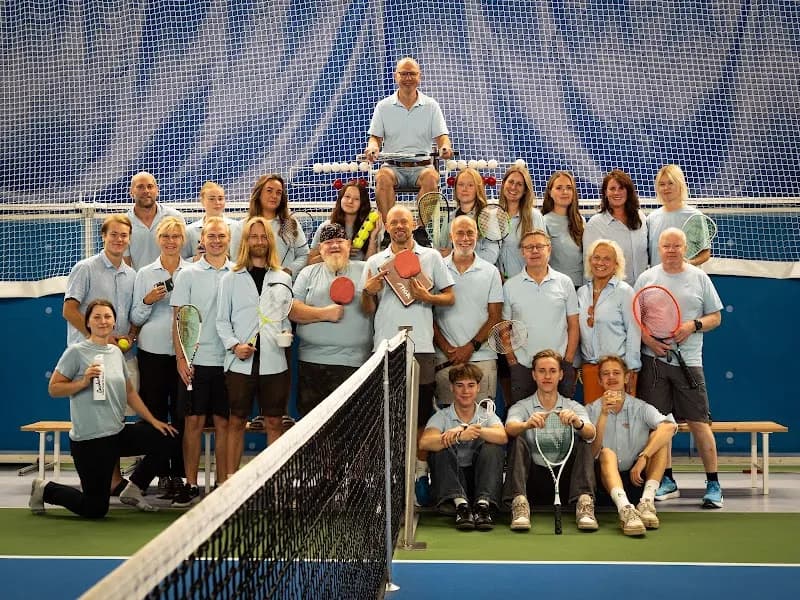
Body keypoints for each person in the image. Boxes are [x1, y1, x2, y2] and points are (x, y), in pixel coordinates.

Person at [217, 217, 342, 476]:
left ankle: (271, 484)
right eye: (254, 237)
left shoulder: (282, 277)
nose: (259, 241)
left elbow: (285, 315)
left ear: (270, 242)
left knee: (274, 421)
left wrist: (285, 331)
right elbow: (221, 321)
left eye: (263, 237)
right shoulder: (230, 279)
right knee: (237, 421)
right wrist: (234, 346)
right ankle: (228, 484)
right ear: (246, 241)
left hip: (275, 361)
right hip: (239, 363)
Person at [30, 300, 178, 518]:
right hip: (90, 441)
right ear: (88, 322)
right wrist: (82, 382)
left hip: (117, 434)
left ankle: (134, 488)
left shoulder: (116, 353)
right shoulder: (76, 352)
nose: (103, 321)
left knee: (169, 437)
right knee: (95, 508)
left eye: (107, 317)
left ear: (114, 321)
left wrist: (154, 421)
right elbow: (54, 388)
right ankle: (44, 489)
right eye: (97, 317)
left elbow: (129, 393)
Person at [361, 205, 455, 504]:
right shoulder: (375, 262)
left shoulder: (431, 257)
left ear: (413, 224)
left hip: (422, 349)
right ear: (386, 227)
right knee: (387, 418)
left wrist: (429, 297)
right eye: (394, 222)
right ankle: (389, 481)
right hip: (386, 348)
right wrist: (367, 292)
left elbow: (449, 296)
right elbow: (367, 310)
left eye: (404, 221)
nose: (400, 226)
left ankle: (416, 479)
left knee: (419, 419)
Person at [635, 228, 724, 508]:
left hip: (690, 362)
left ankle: (713, 484)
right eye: (666, 245)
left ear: (685, 248)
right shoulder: (647, 278)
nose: (671, 250)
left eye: (676, 245)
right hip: (654, 362)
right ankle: (667, 480)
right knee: (661, 425)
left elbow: (716, 318)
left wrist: (693, 326)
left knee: (699, 423)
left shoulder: (699, 278)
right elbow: (636, 319)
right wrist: (649, 340)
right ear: (659, 248)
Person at [169, 217, 234, 504]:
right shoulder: (188, 275)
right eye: (211, 236)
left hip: (230, 364)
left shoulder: (239, 273)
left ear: (229, 239)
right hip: (197, 361)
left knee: (224, 423)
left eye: (221, 235)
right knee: (192, 423)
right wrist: (181, 359)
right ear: (202, 240)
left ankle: (222, 484)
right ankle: (191, 484)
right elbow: (179, 319)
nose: (216, 240)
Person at [503, 350, 597, 532]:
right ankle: (520, 504)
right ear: (534, 374)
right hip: (533, 480)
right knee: (518, 440)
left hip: (566, 481)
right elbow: (509, 428)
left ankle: (584, 505)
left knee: (583, 441)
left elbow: (591, 433)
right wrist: (526, 424)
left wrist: (578, 423)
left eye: (553, 371)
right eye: (542, 371)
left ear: (561, 375)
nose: (547, 376)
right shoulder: (522, 406)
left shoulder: (573, 406)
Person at [130, 216, 191, 497]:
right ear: (158, 240)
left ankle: (177, 475)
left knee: (180, 415)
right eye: (166, 237)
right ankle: (158, 474)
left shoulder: (192, 272)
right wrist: (147, 301)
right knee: (154, 415)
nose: (170, 241)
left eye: (175, 237)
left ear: (182, 241)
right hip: (151, 352)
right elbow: (136, 317)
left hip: (183, 354)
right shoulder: (144, 273)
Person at [586, 355, 677, 536]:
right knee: (606, 453)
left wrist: (644, 457)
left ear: (627, 377)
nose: (611, 377)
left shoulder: (641, 407)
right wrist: (603, 415)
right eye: (606, 374)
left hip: (637, 479)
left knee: (659, 439)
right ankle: (625, 510)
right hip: (605, 484)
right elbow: (591, 453)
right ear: (599, 380)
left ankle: (647, 503)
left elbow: (670, 427)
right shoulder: (590, 410)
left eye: (616, 373)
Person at [364, 57, 453, 229]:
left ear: (420, 76)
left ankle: (420, 230)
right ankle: (389, 230)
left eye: (412, 74)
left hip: (422, 167)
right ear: (395, 76)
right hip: (393, 168)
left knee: (432, 177)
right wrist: (373, 147)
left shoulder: (431, 106)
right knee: (382, 178)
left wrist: (445, 147)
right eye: (403, 74)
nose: (408, 78)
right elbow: (375, 138)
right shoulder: (383, 107)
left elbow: (442, 137)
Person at [293, 223, 372, 417]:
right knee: (312, 429)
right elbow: (293, 310)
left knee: (351, 427)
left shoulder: (365, 270)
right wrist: (324, 313)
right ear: (320, 248)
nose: (334, 246)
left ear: (349, 244)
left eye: (339, 241)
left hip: (356, 364)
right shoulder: (308, 273)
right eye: (328, 242)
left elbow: (374, 309)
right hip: (313, 364)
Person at [419, 364, 507, 531]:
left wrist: (472, 430)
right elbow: (425, 442)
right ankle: (461, 507)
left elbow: (502, 437)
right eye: (460, 385)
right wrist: (456, 437)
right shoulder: (442, 416)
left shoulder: (487, 415)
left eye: (471, 385)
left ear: (478, 387)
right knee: (441, 447)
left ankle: (483, 507)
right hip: (451, 481)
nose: (465, 391)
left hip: (479, 480)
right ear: (452, 388)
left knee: (493, 449)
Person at [501, 230, 579, 404]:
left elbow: (573, 325)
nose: (534, 251)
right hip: (523, 367)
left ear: (549, 250)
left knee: (563, 420)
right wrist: (513, 362)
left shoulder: (565, 283)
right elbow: (504, 329)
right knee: (523, 422)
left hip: (559, 368)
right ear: (522, 252)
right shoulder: (510, 286)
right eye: (529, 247)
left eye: (539, 246)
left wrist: (567, 361)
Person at [433, 216, 503, 405]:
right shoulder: (436, 268)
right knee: (449, 427)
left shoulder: (491, 272)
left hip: (483, 358)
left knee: (483, 423)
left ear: (477, 235)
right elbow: (428, 315)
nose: (465, 238)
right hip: (446, 359)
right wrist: (448, 349)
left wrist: (471, 347)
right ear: (451, 236)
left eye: (470, 233)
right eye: (460, 233)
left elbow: (495, 316)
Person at [577, 239, 640, 403]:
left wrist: (632, 369)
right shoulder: (582, 293)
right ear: (589, 261)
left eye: (607, 259)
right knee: (595, 425)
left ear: (616, 264)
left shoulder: (625, 292)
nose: (600, 263)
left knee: (620, 424)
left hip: (617, 371)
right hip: (590, 369)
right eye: (596, 258)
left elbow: (634, 332)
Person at [63, 215, 138, 350]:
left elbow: (133, 315)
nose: (119, 239)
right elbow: (69, 311)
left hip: (120, 355)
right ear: (103, 236)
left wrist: (131, 336)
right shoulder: (85, 268)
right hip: (87, 353)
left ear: (129, 239)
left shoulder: (132, 275)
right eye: (113, 234)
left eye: (123, 235)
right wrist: (99, 337)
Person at [583, 169, 649, 284]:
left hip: (642, 291)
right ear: (605, 193)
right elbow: (589, 265)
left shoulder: (641, 218)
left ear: (628, 192)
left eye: (621, 188)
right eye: (612, 188)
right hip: (612, 294)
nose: (617, 193)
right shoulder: (595, 224)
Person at [247, 174, 309, 279]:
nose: (274, 196)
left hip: (283, 287)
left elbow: (304, 255)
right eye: (269, 190)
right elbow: (237, 259)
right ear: (259, 193)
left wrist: (288, 271)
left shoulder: (289, 225)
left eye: (278, 192)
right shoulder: (244, 225)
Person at [647, 164, 710, 267]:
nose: (666, 188)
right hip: (659, 281)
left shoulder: (695, 216)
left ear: (680, 185)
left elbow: (705, 253)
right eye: (662, 184)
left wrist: (689, 263)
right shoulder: (651, 218)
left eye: (671, 183)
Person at [307, 182, 381, 265]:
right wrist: (338, 252)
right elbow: (310, 262)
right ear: (340, 199)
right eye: (347, 196)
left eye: (356, 199)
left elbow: (370, 266)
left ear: (362, 203)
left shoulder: (370, 228)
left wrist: (372, 237)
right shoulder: (326, 227)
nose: (350, 201)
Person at [124, 171, 184, 270]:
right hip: (140, 282)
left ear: (157, 190)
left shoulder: (175, 217)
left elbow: (182, 254)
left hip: (172, 282)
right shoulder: (124, 222)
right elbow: (125, 262)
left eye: (150, 186)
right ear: (131, 192)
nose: (146, 191)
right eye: (140, 187)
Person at [496, 164, 546, 280]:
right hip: (498, 285)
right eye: (511, 182)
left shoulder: (534, 216)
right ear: (503, 184)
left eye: (519, 184)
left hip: (527, 283)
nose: (513, 187)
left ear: (525, 190)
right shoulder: (493, 216)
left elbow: (542, 253)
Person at [541, 170, 585, 288]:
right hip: (555, 287)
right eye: (559, 188)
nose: (564, 192)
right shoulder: (543, 221)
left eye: (569, 188)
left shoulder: (581, 221)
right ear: (550, 192)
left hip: (580, 287)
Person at [447, 168, 500, 265]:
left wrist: (457, 256)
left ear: (478, 189)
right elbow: (443, 251)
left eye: (470, 185)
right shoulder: (450, 218)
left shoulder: (488, 216)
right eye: (461, 185)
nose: (464, 189)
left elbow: (491, 255)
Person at [182, 181, 242, 262]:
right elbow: (181, 262)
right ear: (202, 201)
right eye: (212, 199)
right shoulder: (190, 231)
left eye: (220, 198)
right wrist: (197, 259)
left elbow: (238, 260)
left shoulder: (236, 228)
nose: (217, 203)